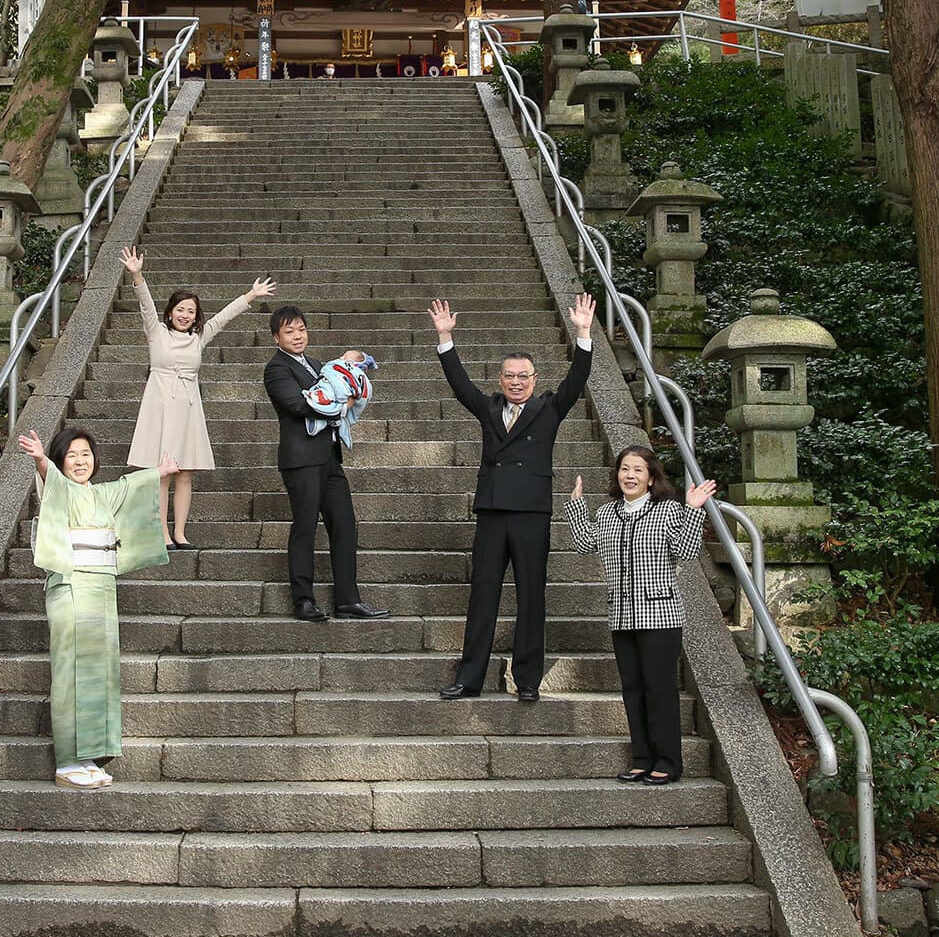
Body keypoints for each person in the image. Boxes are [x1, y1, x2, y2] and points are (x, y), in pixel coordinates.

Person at [430, 293, 595, 702]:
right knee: (483, 595)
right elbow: (460, 386)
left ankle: (527, 681)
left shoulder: (550, 408)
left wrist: (583, 333)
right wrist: (446, 340)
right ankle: (469, 679)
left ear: (534, 379)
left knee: (531, 596)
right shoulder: (487, 407)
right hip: (492, 512)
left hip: (531, 513)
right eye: (509, 376)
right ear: (500, 379)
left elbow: (576, 380)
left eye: (523, 376)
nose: (516, 382)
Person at [19, 426, 174, 788]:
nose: (80, 461)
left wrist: (161, 472)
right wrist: (41, 459)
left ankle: (88, 755)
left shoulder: (103, 493)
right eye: (71, 455)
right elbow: (48, 477)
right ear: (61, 460)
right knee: (72, 670)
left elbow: (129, 486)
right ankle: (67, 761)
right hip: (72, 587)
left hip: (102, 588)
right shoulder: (59, 487)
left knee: (98, 673)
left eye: (85, 454)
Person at [564, 450, 716, 784]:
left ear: (651, 477)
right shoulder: (607, 513)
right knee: (632, 689)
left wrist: (693, 511)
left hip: (660, 616)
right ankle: (642, 757)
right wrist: (576, 506)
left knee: (658, 689)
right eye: (624, 469)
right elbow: (585, 544)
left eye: (637, 470)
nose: (629, 475)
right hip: (621, 615)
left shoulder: (667, 511)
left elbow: (686, 552)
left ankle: (668, 761)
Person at [120, 246, 274, 549]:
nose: (185, 315)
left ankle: (180, 532)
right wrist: (137, 275)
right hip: (161, 403)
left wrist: (250, 296)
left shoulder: (199, 337)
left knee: (185, 472)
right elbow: (146, 306)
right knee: (162, 473)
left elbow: (223, 318)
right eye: (180, 309)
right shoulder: (157, 332)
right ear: (170, 312)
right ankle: (162, 532)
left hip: (188, 407)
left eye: (191, 311)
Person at [263, 306, 389, 623]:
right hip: (301, 461)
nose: (297, 335)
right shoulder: (276, 369)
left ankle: (348, 600)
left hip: (330, 458)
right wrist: (339, 407)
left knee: (345, 524)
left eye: (301, 329)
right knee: (305, 528)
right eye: (289, 331)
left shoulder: (319, 365)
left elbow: (344, 386)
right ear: (276, 337)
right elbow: (296, 404)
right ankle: (303, 601)